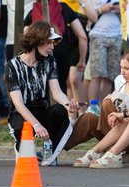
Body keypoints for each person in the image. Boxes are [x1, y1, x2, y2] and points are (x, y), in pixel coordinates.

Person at [5, 21, 78, 164]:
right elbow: (18, 104)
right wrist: (36, 125)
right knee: (26, 157)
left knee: (60, 111)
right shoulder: (12, 66)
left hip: (42, 109)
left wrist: (68, 104)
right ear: (35, 41)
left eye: (53, 43)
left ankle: (50, 152)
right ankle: (22, 147)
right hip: (21, 114)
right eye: (48, 42)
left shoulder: (49, 61)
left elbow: (56, 92)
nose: (52, 47)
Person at [67, 47, 129, 154]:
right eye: (121, 68)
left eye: (127, 69)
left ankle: (104, 148)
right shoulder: (123, 83)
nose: (122, 72)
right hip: (117, 131)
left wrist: (115, 96)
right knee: (88, 117)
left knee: (107, 103)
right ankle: (58, 146)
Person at [86, 0, 122, 102]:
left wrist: (119, 10)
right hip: (98, 34)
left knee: (110, 76)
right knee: (96, 74)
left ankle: (103, 108)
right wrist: (102, 9)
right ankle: (93, 108)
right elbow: (86, 12)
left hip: (116, 34)